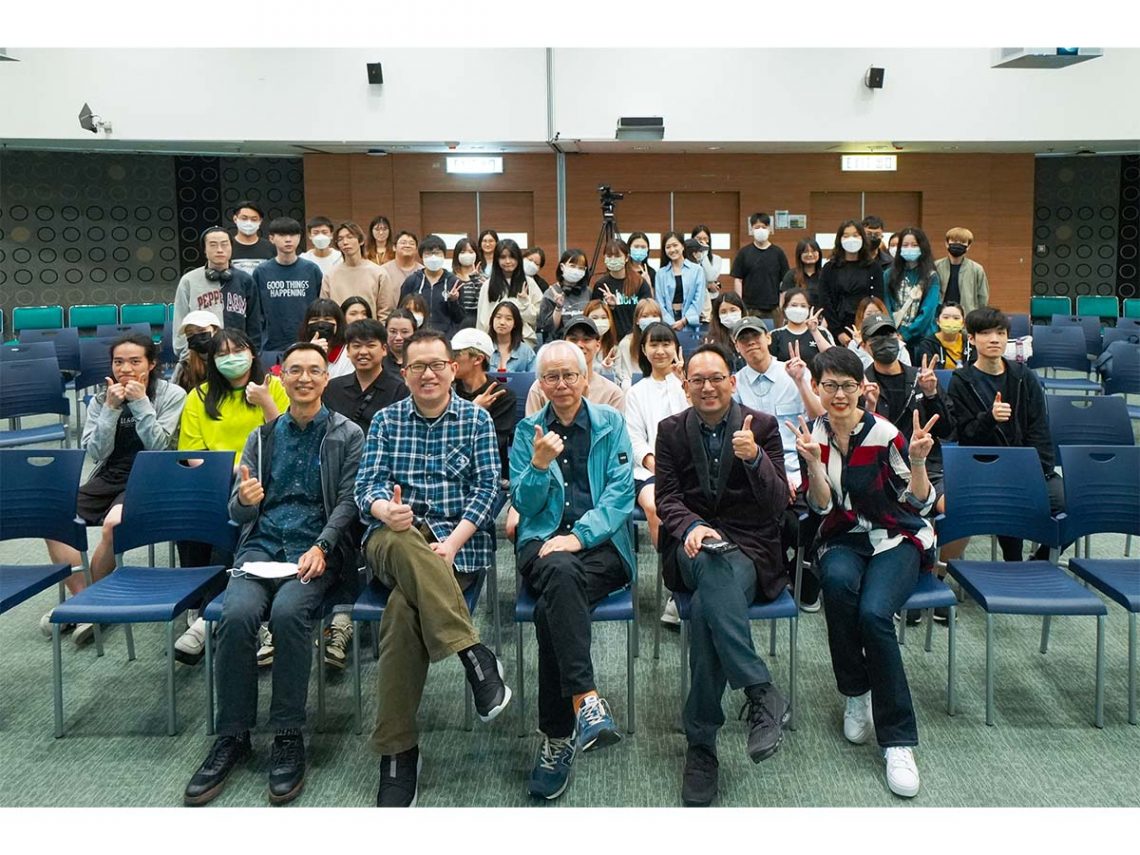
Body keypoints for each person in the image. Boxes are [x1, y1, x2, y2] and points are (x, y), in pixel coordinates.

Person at [182, 342, 364, 807]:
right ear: (282, 380)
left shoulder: (347, 435)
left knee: (287, 615)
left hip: (315, 549)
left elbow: (348, 503)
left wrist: (323, 546)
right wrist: (245, 500)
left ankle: (288, 732)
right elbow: (238, 513)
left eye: (314, 371)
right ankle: (234, 733)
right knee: (236, 615)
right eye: (295, 371)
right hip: (261, 548)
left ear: (327, 379)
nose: (304, 378)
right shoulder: (263, 438)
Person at [356, 328, 511, 808]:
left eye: (437, 365)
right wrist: (386, 510)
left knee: (403, 614)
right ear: (404, 373)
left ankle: (398, 753)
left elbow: (489, 490)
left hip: (455, 547)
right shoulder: (384, 421)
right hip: (391, 539)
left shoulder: (475, 421)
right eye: (417, 366)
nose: (428, 374)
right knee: (404, 540)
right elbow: (366, 487)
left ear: (453, 369)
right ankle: (472, 653)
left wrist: (453, 542)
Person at [790, 345, 938, 799]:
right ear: (816, 388)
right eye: (829, 385)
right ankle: (856, 693)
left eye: (847, 386)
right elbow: (819, 506)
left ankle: (897, 741)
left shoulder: (885, 434)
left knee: (875, 615)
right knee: (835, 584)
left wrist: (916, 462)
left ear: (860, 389)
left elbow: (919, 502)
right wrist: (814, 465)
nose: (838, 394)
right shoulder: (810, 436)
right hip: (842, 539)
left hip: (896, 538)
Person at [655, 342, 793, 807]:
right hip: (694, 546)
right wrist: (691, 526)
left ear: (732, 383)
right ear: (685, 385)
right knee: (711, 567)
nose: (708, 386)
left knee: (711, 617)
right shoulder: (670, 431)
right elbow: (667, 497)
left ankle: (702, 746)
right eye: (699, 380)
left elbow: (778, 505)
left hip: (751, 548)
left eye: (717, 378)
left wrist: (755, 459)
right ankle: (760, 691)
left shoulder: (764, 427)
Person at [509, 340, 636, 800]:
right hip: (541, 545)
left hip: (601, 547)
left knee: (552, 604)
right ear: (539, 385)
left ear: (586, 378)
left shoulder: (611, 423)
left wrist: (578, 537)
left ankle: (558, 736)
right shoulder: (528, 431)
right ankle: (587, 702)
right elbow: (523, 505)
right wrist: (539, 466)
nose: (561, 384)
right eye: (550, 377)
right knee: (559, 575)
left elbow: (620, 497)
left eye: (569, 375)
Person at [41, 334, 187, 643]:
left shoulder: (172, 394)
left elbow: (159, 448)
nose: (126, 369)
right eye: (119, 362)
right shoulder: (100, 399)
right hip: (109, 475)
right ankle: (87, 601)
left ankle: (84, 606)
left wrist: (140, 403)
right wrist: (110, 408)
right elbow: (95, 452)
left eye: (135, 362)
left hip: (150, 477)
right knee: (52, 517)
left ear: (152, 364)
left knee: (113, 524)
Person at [174, 329, 290, 665]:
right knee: (216, 510)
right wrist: (230, 471)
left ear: (253, 353)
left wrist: (266, 403)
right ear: (212, 360)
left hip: (268, 479)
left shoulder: (274, 387)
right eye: (222, 354)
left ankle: (207, 618)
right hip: (218, 478)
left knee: (240, 511)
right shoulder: (199, 397)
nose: (231, 358)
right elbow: (192, 450)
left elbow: (288, 438)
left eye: (238, 350)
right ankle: (211, 608)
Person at [946, 307, 1063, 562]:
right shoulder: (961, 381)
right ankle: (1014, 563)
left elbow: (1039, 429)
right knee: (1011, 502)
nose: (994, 339)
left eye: (1000, 333)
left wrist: (1037, 470)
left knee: (1072, 504)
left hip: (1029, 467)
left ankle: (1041, 560)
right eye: (986, 333)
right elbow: (965, 436)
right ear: (972, 339)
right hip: (986, 469)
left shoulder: (1024, 376)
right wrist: (989, 418)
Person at [731, 318, 826, 610]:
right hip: (755, 467)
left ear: (768, 338)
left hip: (799, 466)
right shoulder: (734, 382)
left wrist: (800, 381)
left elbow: (820, 418)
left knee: (815, 517)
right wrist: (775, 478)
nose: (751, 344)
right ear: (736, 346)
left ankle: (802, 576)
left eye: (755, 336)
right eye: (743, 340)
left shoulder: (794, 370)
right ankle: (772, 574)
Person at [624, 322, 688, 552]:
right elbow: (634, 440)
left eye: (666, 344)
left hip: (690, 468)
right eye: (654, 344)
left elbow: (701, 420)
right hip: (650, 471)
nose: (660, 351)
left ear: (676, 348)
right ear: (643, 350)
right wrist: (657, 466)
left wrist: (686, 385)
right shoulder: (636, 392)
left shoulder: (689, 385)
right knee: (655, 507)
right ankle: (670, 572)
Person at [173, 226, 262, 359]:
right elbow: (180, 321)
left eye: (224, 244)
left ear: (231, 247)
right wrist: (186, 356)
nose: (220, 250)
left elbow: (254, 323)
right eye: (213, 245)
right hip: (199, 356)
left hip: (237, 355)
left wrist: (253, 354)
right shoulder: (189, 281)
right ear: (204, 249)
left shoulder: (245, 280)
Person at [450, 327, 518, 478]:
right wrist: (473, 408)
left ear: (478, 359)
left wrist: (473, 412)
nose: (450, 360)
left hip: (486, 472)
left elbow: (490, 446)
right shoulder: (448, 391)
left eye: (456, 354)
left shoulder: (503, 397)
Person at [323, 319, 409, 436]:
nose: (363, 352)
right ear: (348, 351)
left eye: (370, 345)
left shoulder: (400, 390)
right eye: (356, 346)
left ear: (384, 349)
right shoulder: (332, 388)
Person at [252, 217, 324, 352]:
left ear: (300, 237)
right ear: (272, 238)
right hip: (271, 345)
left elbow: (321, 306)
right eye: (282, 235)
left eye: (293, 235)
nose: (288, 239)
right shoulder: (261, 272)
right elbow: (256, 312)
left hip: (308, 341)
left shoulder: (311, 270)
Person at [525, 317, 625, 414]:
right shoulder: (541, 387)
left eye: (586, 339)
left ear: (598, 345)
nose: (579, 345)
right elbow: (531, 428)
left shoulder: (612, 393)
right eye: (573, 339)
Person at [818, 220, 885, 347]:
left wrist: (864, 330)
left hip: (866, 327)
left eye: (855, 235)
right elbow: (825, 301)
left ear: (862, 238)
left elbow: (878, 300)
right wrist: (838, 332)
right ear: (839, 239)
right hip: (837, 328)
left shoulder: (874, 267)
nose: (851, 239)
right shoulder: (829, 268)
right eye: (846, 235)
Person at [320, 221, 394, 321]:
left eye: (350, 237)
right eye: (340, 239)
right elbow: (326, 310)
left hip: (370, 332)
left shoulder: (378, 273)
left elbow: (385, 312)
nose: (345, 242)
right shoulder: (330, 275)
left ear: (361, 241)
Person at [883, 227, 941, 354]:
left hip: (923, 340)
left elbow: (928, 311)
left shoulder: (931, 276)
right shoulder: (888, 274)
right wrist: (893, 332)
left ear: (922, 247)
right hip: (894, 337)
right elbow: (886, 305)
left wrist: (906, 334)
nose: (909, 248)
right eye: (905, 245)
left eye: (914, 245)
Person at [477, 238, 541, 344]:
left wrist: (525, 304)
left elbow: (537, 319)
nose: (508, 261)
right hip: (494, 343)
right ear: (496, 260)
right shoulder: (487, 285)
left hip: (523, 341)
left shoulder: (529, 283)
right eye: (502, 257)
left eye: (512, 257)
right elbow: (481, 321)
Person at [400, 234, 465, 337]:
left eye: (437, 253)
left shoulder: (453, 282)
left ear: (444, 255)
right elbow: (401, 311)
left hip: (445, 338)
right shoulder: (412, 280)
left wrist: (453, 301)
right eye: (428, 254)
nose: (433, 257)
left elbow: (460, 318)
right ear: (421, 257)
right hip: (417, 337)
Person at [731, 213, 789, 325]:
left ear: (769, 229)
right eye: (757, 227)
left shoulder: (778, 253)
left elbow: (785, 281)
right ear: (751, 229)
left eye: (764, 227)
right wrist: (740, 304)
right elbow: (738, 279)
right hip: (750, 308)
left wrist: (782, 305)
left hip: (774, 308)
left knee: (773, 339)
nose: (760, 230)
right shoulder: (744, 253)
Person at [592, 237, 653, 340]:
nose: (613, 259)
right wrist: (611, 307)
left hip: (636, 339)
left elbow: (648, 311)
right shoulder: (601, 285)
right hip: (610, 341)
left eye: (617, 256)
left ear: (626, 258)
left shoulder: (639, 282)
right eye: (609, 256)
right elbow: (594, 315)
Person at [769, 288, 834, 371]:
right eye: (794, 305)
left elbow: (832, 358)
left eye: (803, 306)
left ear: (809, 309)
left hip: (814, 381)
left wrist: (814, 331)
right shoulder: (775, 335)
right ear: (785, 308)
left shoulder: (822, 332)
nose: (798, 309)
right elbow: (769, 365)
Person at [536, 248, 591, 341]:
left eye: (581, 268)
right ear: (562, 267)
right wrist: (558, 307)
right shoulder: (550, 294)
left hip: (584, 343)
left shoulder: (588, 292)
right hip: (558, 344)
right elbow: (548, 328)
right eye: (572, 266)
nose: (576, 270)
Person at [655, 231, 705, 332]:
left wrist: (684, 321)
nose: (672, 250)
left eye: (675, 245)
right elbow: (659, 302)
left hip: (689, 323)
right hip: (668, 325)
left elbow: (698, 299)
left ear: (682, 246)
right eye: (668, 247)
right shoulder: (661, 273)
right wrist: (670, 323)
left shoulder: (697, 270)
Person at [934, 227, 990, 315]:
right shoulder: (936, 266)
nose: (958, 245)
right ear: (947, 244)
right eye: (954, 241)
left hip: (967, 319)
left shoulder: (977, 269)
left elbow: (983, 298)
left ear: (968, 246)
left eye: (962, 242)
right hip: (940, 317)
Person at [614, 299, 665, 389]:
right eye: (645, 316)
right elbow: (623, 376)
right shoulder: (626, 343)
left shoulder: (667, 342)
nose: (650, 319)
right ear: (637, 320)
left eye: (654, 316)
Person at [296, 298, 353, 379]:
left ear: (338, 323)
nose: (321, 324)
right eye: (315, 319)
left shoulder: (348, 352)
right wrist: (310, 353)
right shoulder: (296, 350)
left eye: (327, 319)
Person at [913, 301, 974, 370]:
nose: (951, 321)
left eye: (956, 318)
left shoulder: (971, 342)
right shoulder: (927, 344)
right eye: (946, 317)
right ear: (937, 321)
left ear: (963, 322)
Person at [172, 310, 221, 393]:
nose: (196, 336)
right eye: (190, 334)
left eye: (201, 330)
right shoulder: (184, 366)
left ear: (215, 330)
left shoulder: (227, 360)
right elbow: (173, 394)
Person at [488, 300, 537, 373]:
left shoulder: (526, 352)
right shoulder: (484, 349)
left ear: (515, 323)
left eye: (508, 319)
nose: (502, 322)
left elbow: (535, 378)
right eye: (498, 317)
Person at [229, 200, 276, 275]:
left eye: (254, 219)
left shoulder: (271, 247)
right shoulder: (227, 247)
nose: (249, 222)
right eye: (244, 218)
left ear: (260, 221)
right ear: (235, 219)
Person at [704, 293, 747, 372]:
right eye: (723, 312)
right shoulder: (712, 340)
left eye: (733, 310)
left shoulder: (752, 334)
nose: (729, 315)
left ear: (741, 311)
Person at [779, 238, 824, 308]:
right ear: (799, 255)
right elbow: (783, 301)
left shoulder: (826, 274)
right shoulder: (791, 275)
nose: (810, 255)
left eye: (813, 251)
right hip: (797, 316)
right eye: (806, 252)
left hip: (822, 317)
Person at [452, 237, 485, 329]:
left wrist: (476, 280)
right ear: (457, 255)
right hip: (455, 324)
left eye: (471, 252)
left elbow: (484, 303)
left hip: (477, 323)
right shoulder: (450, 278)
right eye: (462, 252)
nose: (467, 255)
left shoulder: (483, 278)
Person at [584, 299, 619, 372]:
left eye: (604, 318)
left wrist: (608, 368)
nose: (600, 321)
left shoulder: (614, 350)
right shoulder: (580, 347)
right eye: (594, 318)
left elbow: (619, 379)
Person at [384, 308, 418, 375]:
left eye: (404, 332)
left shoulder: (422, 357)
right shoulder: (378, 361)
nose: (398, 337)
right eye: (393, 331)